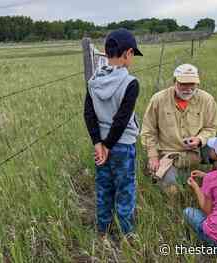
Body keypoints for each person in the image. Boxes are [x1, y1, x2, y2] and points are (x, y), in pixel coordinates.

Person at [83, 28, 143, 241]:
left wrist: (98, 143)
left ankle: (103, 231)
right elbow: (122, 120)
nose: (133, 58)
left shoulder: (93, 81)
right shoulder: (131, 83)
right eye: (133, 54)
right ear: (127, 53)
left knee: (104, 188)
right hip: (123, 146)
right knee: (125, 189)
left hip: (102, 146)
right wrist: (109, 145)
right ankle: (127, 233)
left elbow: (88, 114)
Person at [140, 64, 217, 192]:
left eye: (192, 84)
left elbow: (212, 127)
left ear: (197, 83)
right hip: (170, 154)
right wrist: (153, 157)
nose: (188, 89)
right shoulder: (158, 100)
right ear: (174, 82)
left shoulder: (207, 100)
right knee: (171, 189)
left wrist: (199, 139)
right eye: (183, 84)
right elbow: (148, 131)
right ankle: (173, 179)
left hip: (198, 150)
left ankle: (216, 182)